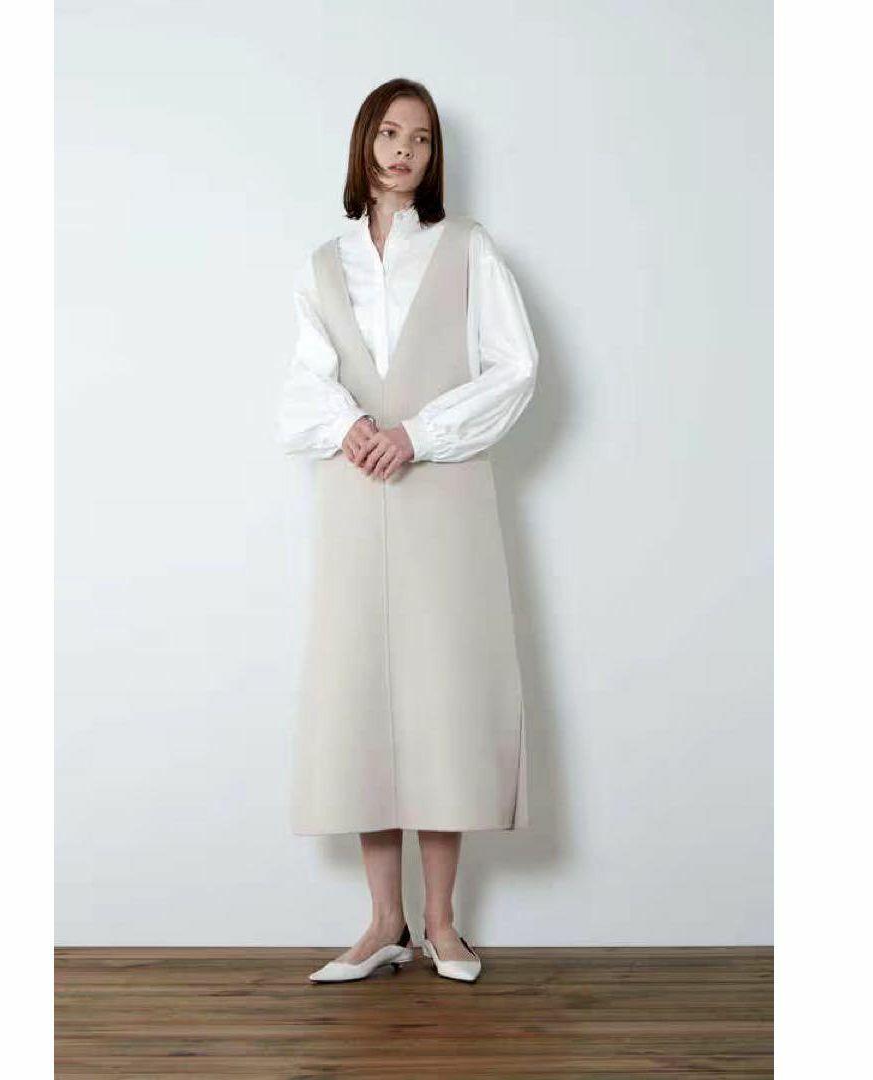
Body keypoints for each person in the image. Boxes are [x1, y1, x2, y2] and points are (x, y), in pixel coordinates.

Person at [276, 78, 538, 984]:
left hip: (442, 494)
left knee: (444, 698)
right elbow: (304, 383)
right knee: (361, 700)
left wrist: (418, 435)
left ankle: (442, 923)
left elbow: (515, 368)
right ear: (365, 143)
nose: (403, 152)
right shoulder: (323, 265)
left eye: (420, 139)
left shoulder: (467, 249)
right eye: (389, 134)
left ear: (434, 157)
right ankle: (383, 923)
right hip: (357, 496)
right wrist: (348, 425)